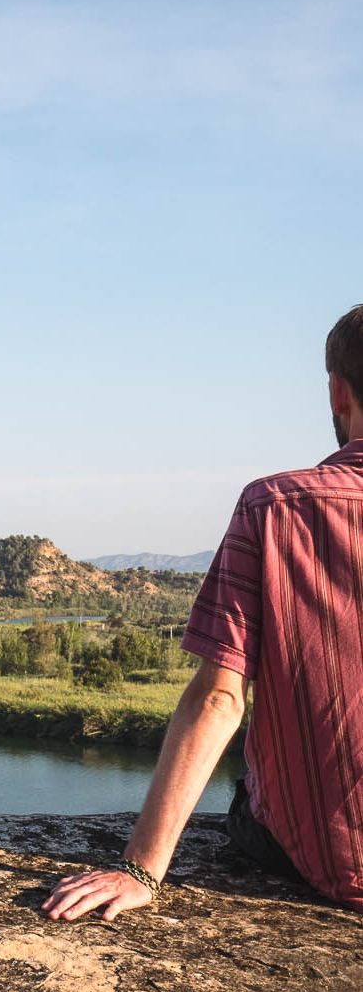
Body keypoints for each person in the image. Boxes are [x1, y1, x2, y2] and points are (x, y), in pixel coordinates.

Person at [43, 305, 363, 922]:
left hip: (326, 862)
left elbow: (220, 697)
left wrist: (141, 868)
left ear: (337, 391)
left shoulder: (276, 507)